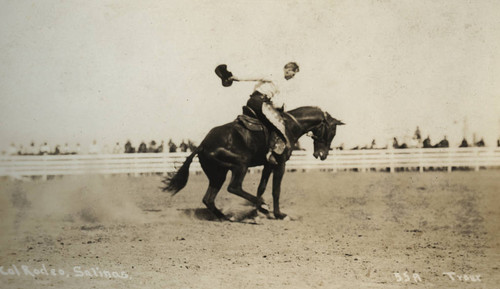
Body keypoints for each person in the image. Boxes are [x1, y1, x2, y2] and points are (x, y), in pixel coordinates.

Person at [228, 62, 300, 164]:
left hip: (258, 101)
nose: (293, 76)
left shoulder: (280, 82)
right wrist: (238, 78)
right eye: (293, 73)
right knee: (279, 124)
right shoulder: (274, 75)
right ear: (288, 70)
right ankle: (271, 153)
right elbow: (256, 76)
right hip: (260, 102)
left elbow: (276, 101)